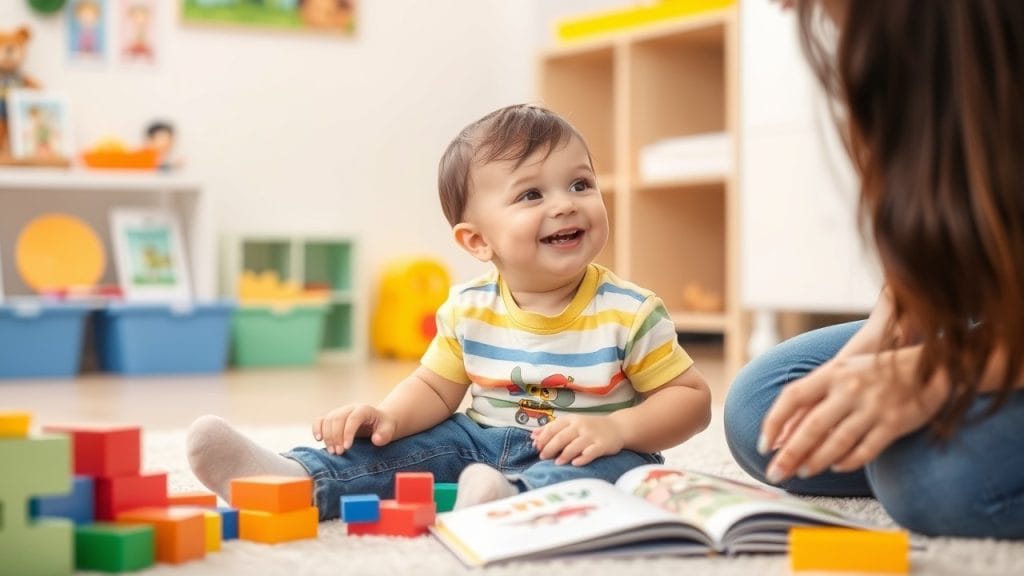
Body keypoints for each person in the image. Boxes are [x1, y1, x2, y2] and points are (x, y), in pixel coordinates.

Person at [187, 104, 712, 519]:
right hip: (477, 442)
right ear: (477, 241)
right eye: (532, 193)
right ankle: (293, 479)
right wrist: (389, 415)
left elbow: (690, 400)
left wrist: (619, 431)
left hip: (585, 448)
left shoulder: (630, 311)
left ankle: (514, 500)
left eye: (581, 184)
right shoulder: (468, 307)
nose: (566, 204)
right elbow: (436, 388)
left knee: (621, 474)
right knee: (406, 446)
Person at [724, 0, 1024, 539]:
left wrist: (935, 376)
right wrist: (876, 343)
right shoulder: (922, 57)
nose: (783, 6)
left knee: (929, 478)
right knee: (762, 409)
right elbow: (939, 260)